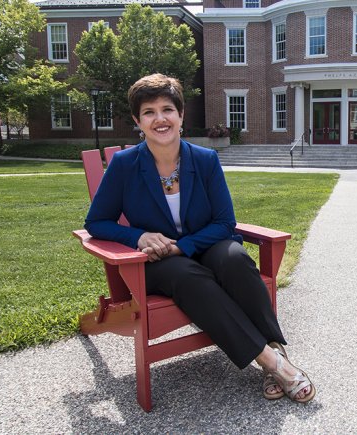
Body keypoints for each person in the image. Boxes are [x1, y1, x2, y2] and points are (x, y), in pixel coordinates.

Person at [85, 73, 315, 403]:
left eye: (167, 109)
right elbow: (96, 221)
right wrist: (139, 236)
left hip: (203, 245)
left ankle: (273, 358)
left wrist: (183, 246)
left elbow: (224, 222)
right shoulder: (124, 165)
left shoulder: (205, 160)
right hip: (157, 264)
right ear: (138, 121)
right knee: (188, 275)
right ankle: (273, 362)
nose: (160, 119)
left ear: (180, 116)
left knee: (235, 259)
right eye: (149, 112)